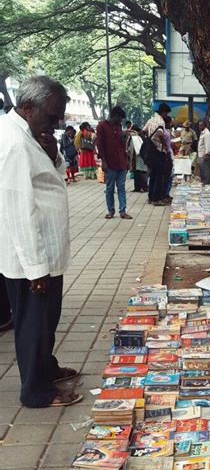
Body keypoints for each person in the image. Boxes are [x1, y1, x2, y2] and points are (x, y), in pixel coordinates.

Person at [0, 75, 83, 408]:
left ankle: (46, 368)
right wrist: (35, 268)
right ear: (28, 107)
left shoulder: (31, 135)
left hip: (47, 252)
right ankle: (36, 390)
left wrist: (54, 155)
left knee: (48, 319)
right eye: (51, 117)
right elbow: (18, 209)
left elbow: (49, 178)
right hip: (30, 259)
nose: (56, 123)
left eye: (59, 117)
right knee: (33, 323)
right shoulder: (14, 142)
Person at [96, 105, 132, 219]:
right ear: (114, 116)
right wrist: (103, 162)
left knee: (121, 187)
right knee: (110, 188)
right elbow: (99, 145)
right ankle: (111, 210)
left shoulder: (118, 127)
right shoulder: (102, 126)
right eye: (120, 118)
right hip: (110, 163)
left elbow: (121, 145)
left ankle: (122, 211)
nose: (120, 121)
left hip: (121, 162)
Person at [144, 103, 170, 206]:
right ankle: (156, 199)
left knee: (153, 175)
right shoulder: (161, 121)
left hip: (150, 151)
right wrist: (165, 145)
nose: (166, 115)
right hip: (158, 151)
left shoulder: (150, 120)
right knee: (159, 176)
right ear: (163, 112)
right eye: (166, 113)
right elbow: (160, 133)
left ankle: (150, 197)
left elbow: (144, 131)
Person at [127, 125, 148, 193]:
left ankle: (139, 188)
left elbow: (130, 148)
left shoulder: (134, 137)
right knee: (140, 172)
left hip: (137, 157)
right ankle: (141, 187)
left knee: (139, 173)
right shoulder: (141, 136)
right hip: (140, 157)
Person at [197, 119, 210, 185]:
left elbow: (208, 144)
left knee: (205, 169)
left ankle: (206, 182)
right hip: (201, 154)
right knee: (202, 169)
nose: (199, 127)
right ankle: (203, 182)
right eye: (199, 125)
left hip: (204, 154)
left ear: (204, 125)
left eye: (201, 125)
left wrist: (207, 153)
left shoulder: (207, 134)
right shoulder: (202, 132)